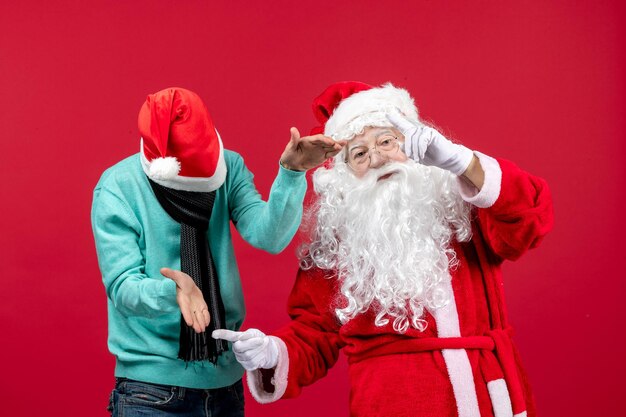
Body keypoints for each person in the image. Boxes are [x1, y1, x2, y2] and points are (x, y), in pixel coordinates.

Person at [213, 82, 554, 417]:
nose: (376, 158)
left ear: (415, 143)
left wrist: (461, 162)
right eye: (359, 153)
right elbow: (314, 333)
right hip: (392, 404)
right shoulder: (337, 243)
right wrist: (272, 353)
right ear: (344, 174)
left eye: (386, 141)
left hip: (487, 400)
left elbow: (531, 218)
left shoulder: (465, 204)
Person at [91, 87, 345, 417]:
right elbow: (122, 288)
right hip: (149, 392)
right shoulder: (118, 187)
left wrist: (292, 173)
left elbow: (269, 236)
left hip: (225, 386)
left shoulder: (229, 167)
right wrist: (174, 290)